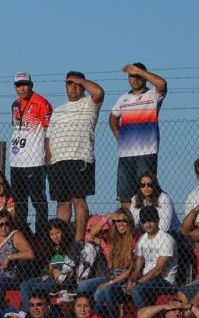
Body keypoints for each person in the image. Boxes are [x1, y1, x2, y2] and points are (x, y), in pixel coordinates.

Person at [48, 71, 104, 237]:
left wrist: (81, 80)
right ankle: (62, 241)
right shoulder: (58, 111)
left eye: (76, 84)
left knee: (78, 199)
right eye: (69, 83)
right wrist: (49, 161)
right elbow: (48, 137)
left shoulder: (89, 103)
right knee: (62, 203)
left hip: (80, 159)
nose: (72, 87)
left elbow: (99, 92)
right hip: (58, 161)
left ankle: (79, 241)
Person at [109, 62, 169, 202]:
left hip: (146, 153)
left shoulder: (152, 95)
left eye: (137, 76)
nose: (134, 79)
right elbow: (113, 119)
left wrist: (141, 72)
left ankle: (147, 221)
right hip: (125, 155)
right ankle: (128, 222)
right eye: (131, 76)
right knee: (125, 196)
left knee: (146, 194)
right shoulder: (123, 98)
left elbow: (162, 84)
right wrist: (120, 137)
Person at [7, 72, 54, 234]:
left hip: (34, 160)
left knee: (38, 201)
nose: (22, 88)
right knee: (19, 202)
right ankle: (22, 235)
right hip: (16, 161)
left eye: (25, 84)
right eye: (18, 85)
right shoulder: (15, 104)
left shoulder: (41, 102)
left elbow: (49, 129)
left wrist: (48, 155)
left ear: (31, 85)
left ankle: (41, 235)